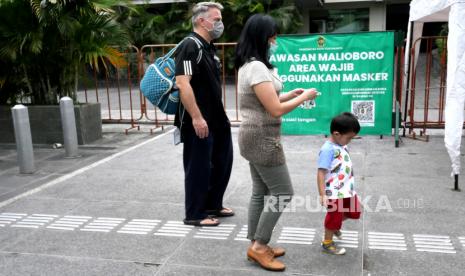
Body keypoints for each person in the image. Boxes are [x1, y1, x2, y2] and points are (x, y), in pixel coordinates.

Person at [234, 14, 318, 271]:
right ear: (262, 36)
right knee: (283, 193)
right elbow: (274, 110)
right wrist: (306, 97)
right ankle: (260, 247)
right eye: (272, 35)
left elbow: (268, 102)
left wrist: (290, 94)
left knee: (261, 192)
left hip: (252, 135)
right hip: (262, 138)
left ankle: (255, 244)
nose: (275, 39)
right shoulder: (257, 68)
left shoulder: (250, 65)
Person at [174, 2, 233, 227]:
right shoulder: (190, 46)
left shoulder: (207, 46)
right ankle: (195, 213)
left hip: (216, 117)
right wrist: (197, 117)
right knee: (198, 166)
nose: (220, 24)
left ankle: (212, 204)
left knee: (222, 161)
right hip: (198, 119)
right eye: (216, 20)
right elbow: (183, 83)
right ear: (201, 21)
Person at [317, 112, 361, 255]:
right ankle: (327, 243)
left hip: (348, 189)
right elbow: (321, 173)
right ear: (336, 134)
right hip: (334, 193)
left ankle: (334, 227)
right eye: (349, 138)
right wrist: (322, 194)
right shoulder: (328, 149)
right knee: (334, 217)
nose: (350, 141)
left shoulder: (341, 144)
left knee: (354, 212)